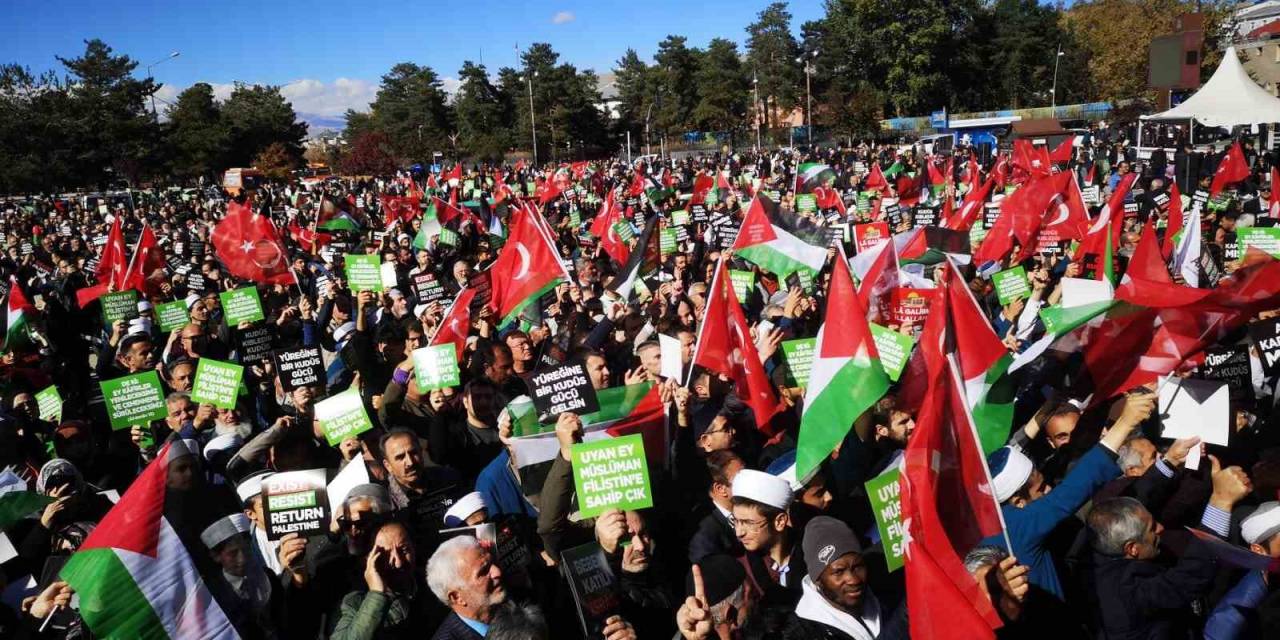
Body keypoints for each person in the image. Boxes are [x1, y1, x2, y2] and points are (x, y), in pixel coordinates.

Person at [426, 535, 508, 640]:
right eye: (483, 571)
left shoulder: (515, 605)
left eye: (492, 562)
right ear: (457, 597)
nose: (497, 572)